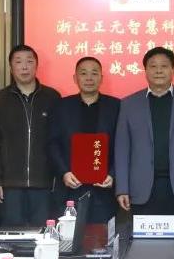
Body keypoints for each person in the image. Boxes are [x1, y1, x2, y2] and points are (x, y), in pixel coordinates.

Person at [115, 47, 174, 224]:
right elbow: (122, 150)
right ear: (145, 70)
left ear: (173, 70)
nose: (158, 71)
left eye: (164, 66)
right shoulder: (129, 104)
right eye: (153, 66)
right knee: (144, 240)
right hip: (141, 187)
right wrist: (122, 188)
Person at [0, 44, 60, 226]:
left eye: (29, 61)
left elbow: (58, 141)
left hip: (44, 184)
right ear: (11, 68)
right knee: (12, 235)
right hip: (10, 186)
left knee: (43, 234)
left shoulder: (52, 97)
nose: (24, 67)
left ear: (36, 65)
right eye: (18, 62)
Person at [46, 57, 120, 223]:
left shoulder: (116, 106)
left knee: (101, 235)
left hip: (104, 189)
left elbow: (122, 145)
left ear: (101, 78)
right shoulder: (60, 106)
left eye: (94, 73)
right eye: (83, 73)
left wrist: (113, 174)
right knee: (70, 234)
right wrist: (64, 172)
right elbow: (52, 143)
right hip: (69, 187)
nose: (89, 78)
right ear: (75, 78)